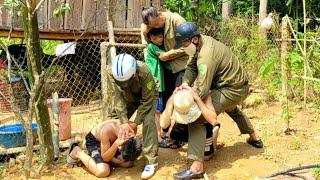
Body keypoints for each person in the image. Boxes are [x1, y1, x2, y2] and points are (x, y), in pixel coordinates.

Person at [173, 22, 264, 179]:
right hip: (234, 86)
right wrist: (185, 83)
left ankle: (196, 168)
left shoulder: (206, 56)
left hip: (233, 89)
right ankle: (254, 137)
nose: (183, 47)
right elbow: (191, 68)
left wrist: (186, 97)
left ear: (194, 39)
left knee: (198, 118)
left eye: (184, 43)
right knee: (230, 108)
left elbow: (201, 90)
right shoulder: (201, 43)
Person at [105, 53, 158, 179]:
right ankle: (116, 154)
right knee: (113, 120)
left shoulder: (145, 71)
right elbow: (117, 97)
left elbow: (146, 101)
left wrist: (135, 123)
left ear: (134, 73)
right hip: (127, 97)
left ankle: (151, 161)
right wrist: (124, 122)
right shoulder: (110, 71)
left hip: (146, 98)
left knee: (149, 121)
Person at [67, 120, 142, 178]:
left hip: (110, 144)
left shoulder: (132, 129)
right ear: (119, 146)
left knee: (128, 163)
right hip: (95, 141)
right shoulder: (107, 131)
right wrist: (115, 145)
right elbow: (105, 158)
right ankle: (77, 151)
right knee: (103, 171)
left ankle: (94, 158)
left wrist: (120, 159)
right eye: (120, 148)